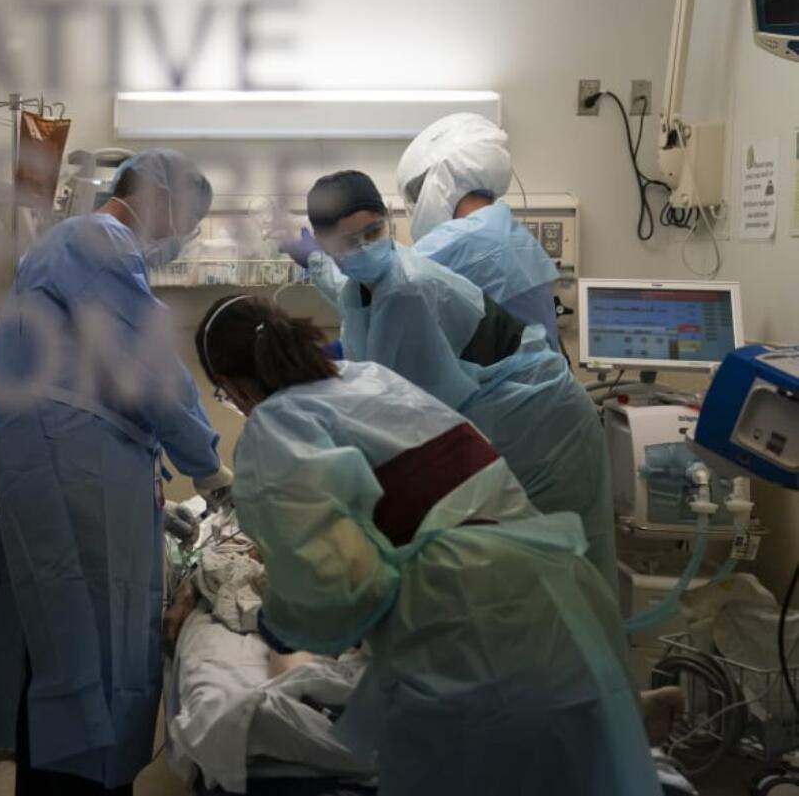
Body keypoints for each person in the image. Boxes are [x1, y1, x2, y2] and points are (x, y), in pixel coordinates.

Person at [193, 294, 660, 796]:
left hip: (463, 630)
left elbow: (336, 591)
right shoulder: (369, 379)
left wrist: (279, 623)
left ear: (233, 386)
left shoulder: (275, 429)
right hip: (559, 600)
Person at [0, 149, 233, 795]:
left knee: (61, 652)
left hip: (68, 468)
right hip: (69, 481)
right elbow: (148, 364)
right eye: (185, 222)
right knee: (78, 658)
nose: (180, 241)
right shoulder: (95, 238)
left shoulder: (78, 247)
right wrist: (211, 468)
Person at [284, 170, 615, 587]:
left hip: (544, 425)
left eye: (374, 231)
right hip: (507, 417)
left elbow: (407, 424)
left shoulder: (406, 287)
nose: (367, 247)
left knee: (556, 572)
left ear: (387, 219)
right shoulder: (367, 275)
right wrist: (311, 259)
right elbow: (348, 285)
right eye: (350, 242)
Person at [398, 112, 562, 351]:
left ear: (441, 181)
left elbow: (390, 293)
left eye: (417, 193)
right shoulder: (506, 231)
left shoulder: (456, 244)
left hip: (498, 387)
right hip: (542, 383)